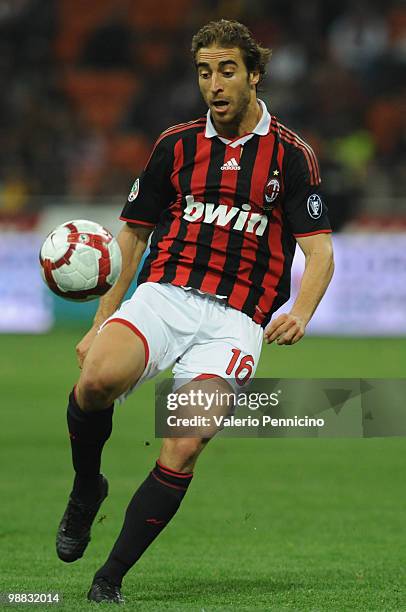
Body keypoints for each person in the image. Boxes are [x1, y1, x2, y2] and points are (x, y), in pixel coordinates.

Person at [56, 19, 334, 604]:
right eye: (205, 71)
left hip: (235, 322)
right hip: (164, 295)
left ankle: (109, 578)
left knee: (185, 440)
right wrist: (104, 317)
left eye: (227, 70)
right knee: (95, 382)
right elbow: (131, 236)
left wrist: (302, 311)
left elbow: (319, 251)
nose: (215, 83)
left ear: (254, 74)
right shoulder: (175, 145)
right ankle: (87, 487)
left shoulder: (291, 154)